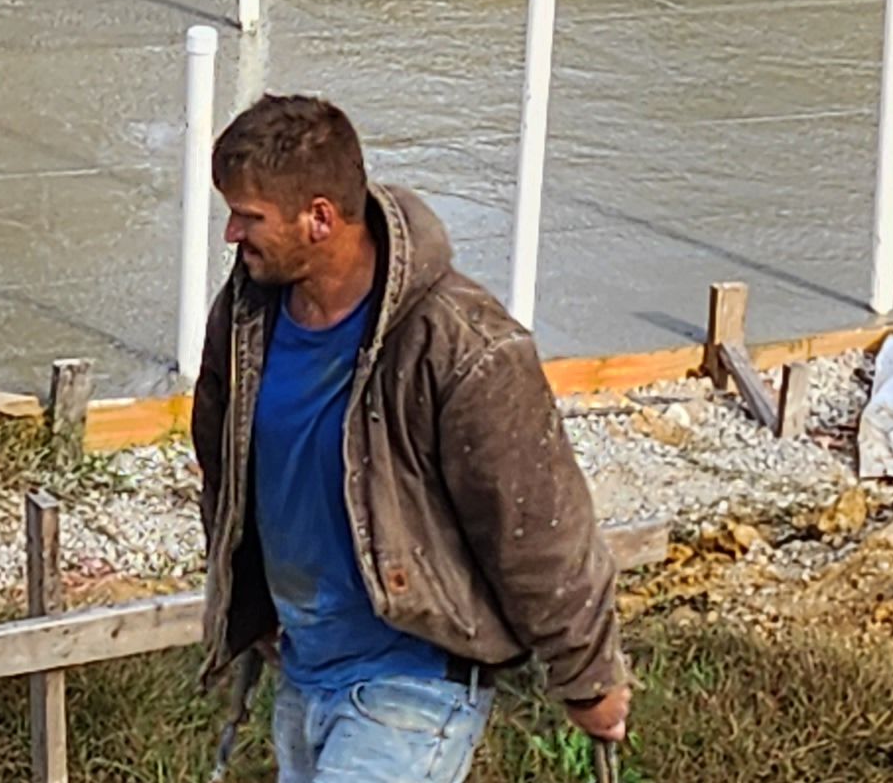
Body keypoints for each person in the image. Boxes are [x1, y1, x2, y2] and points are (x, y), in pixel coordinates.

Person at [190, 94, 631, 783]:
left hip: (415, 676)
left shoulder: (465, 347)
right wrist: (250, 603)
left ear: (320, 218)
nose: (231, 236)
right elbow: (226, 466)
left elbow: (539, 526)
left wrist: (591, 679)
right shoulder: (248, 314)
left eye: (248, 217)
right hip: (304, 664)